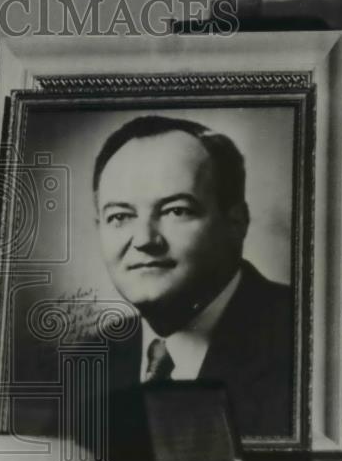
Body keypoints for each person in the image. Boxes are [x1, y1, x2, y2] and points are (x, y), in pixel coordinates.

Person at [92, 114, 294, 438]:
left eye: (177, 210)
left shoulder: (307, 342)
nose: (145, 239)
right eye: (120, 216)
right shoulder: (86, 363)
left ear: (237, 222)